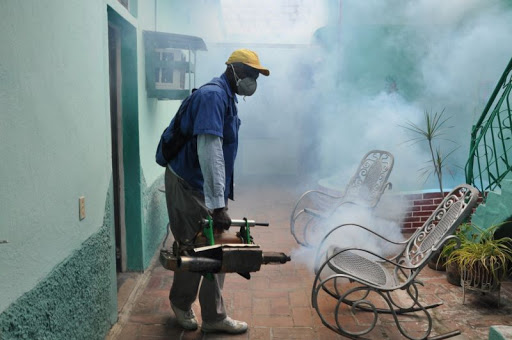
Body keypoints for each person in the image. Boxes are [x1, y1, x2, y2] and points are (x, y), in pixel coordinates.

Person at [162, 49, 269, 334]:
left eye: (256, 76)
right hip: (187, 183)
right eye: (250, 74)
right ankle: (189, 306)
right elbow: (210, 152)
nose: (253, 81)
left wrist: (217, 199)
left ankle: (208, 313)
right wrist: (218, 205)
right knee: (198, 245)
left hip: (198, 183)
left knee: (209, 246)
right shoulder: (213, 96)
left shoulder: (227, 97)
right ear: (234, 70)